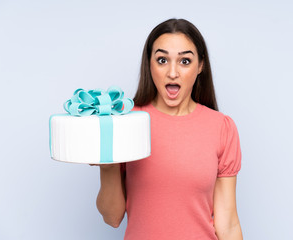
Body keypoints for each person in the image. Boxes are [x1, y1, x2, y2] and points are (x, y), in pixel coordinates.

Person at [95, 18, 243, 240]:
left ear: (200, 65)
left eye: (185, 61)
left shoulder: (222, 127)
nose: (172, 72)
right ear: (149, 64)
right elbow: (112, 217)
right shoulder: (125, 122)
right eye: (162, 60)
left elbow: (228, 224)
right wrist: (107, 164)